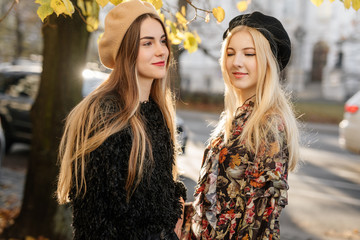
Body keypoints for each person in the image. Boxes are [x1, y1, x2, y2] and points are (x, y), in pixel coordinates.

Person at [56, 1, 186, 239]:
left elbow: (160, 188)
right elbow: (94, 223)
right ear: (125, 51)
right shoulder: (105, 116)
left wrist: (176, 211)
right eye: (147, 43)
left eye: (163, 40)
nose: (161, 50)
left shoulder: (156, 111)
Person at [181, 11, 300, 240]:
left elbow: (259, 222)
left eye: (249, 54)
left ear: (267, 62)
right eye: (230, 53)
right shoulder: (237, 117)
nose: (236, 62)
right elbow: (219, 202)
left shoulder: (268, 125)